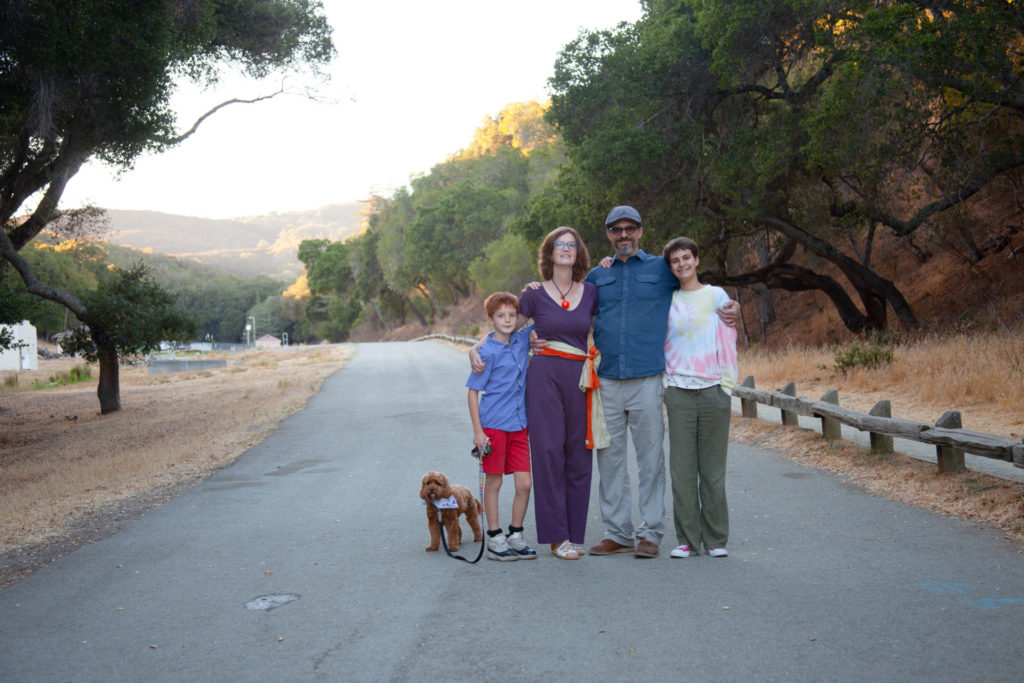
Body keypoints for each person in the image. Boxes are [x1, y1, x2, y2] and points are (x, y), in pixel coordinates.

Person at [585, 206, 739, 559]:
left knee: (651, 460)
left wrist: (734, 306)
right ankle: (617, 532)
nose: (623, 235)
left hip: (649, 379)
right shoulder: (597, 275)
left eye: (630, 228)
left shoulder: (661, 268)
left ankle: (650, 534)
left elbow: (697, 290)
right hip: (605, 380)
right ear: (608, 234)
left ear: (640, 231)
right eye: (616, 229)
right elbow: (574, 308)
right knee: (609, 460)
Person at [495, 227, 599, 560]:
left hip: (580, 378)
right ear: (549, 253)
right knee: (549, 452)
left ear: (579, 252)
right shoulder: (534, 294)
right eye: (559, 245)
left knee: (579, 455)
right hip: (544, 377)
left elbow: (600, 330)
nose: (566, 249)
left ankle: (574, 533)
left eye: (572, 245)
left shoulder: (592, 291)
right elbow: (505, 327)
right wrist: (478, 350)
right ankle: (557, 537)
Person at [660, 237, 738, 559]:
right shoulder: (667, 299)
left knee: (713, 471)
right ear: (671, 267)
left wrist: (727, 387)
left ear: (696, 260)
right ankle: (688, 540)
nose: (682, 264)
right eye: (675, 260)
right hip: (678, 392)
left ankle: (716, 539)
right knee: (682, 470)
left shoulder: (716, 295)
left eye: (686, 257)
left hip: (713, 391)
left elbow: (728, 338)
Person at [466, 292, 537, 561]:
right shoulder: (486, 353)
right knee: (494, 483)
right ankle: (495, 537)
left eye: (511, 315)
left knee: (525, 483)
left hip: (520, 425)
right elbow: (473, 393)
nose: (507, 320)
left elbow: (537, 313)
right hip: (493, 427)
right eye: (500, 316)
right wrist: (478, 432)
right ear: (490, 320)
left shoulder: (521, 340)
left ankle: (515, 534)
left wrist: (532, 290)